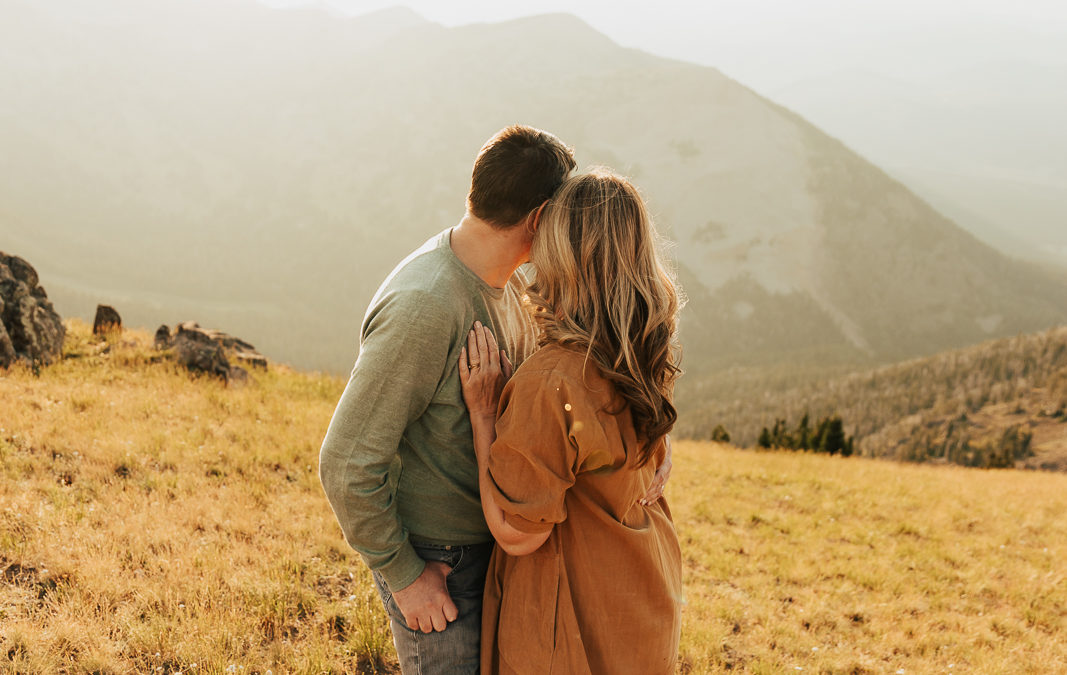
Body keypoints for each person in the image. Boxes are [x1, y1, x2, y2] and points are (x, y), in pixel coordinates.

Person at [319, 125, 673, 674]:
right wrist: (406, 576)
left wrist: (648, 445)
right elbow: (345, 462)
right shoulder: (426, 304)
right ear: (539, 220)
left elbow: (576, 403)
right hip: (444, 568)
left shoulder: (509, 285)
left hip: (506, 550)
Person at [458, 170, 684, 674]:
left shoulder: (553, 380)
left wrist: (483, 414)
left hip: (576, 628)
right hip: (644, 601)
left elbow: (518, 533)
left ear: (565, 256)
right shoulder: (638, 348)